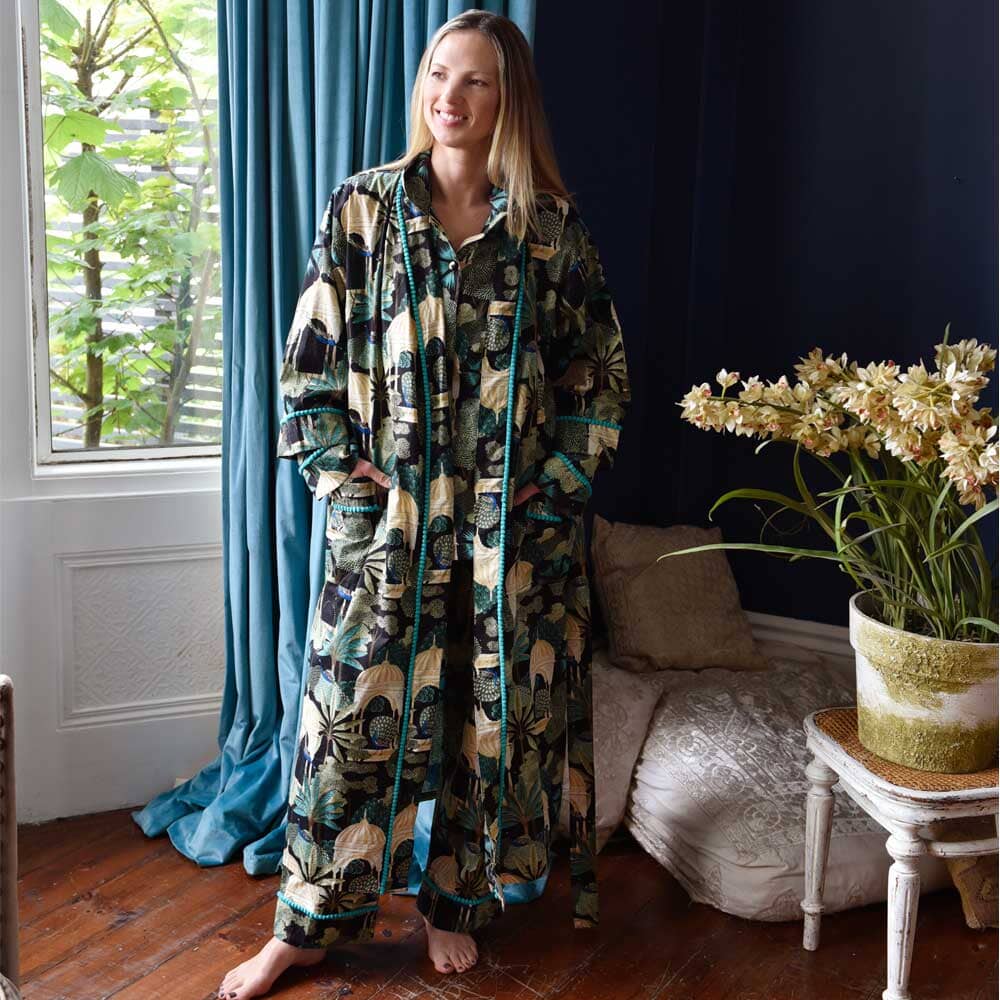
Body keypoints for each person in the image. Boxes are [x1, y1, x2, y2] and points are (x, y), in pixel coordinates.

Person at [218, 9, 630, 999]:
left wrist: (552, 490)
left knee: (482, 732)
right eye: (439, 73)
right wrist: (339, 477)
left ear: (507, 99)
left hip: (505, 539)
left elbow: (598, 373)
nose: (449, 95)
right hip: (387, 530)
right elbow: (308, 364)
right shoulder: (363, 209)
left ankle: (454, 905)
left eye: (475, 79)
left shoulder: (548, 230)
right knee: (343, 725)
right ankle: (305, 927)